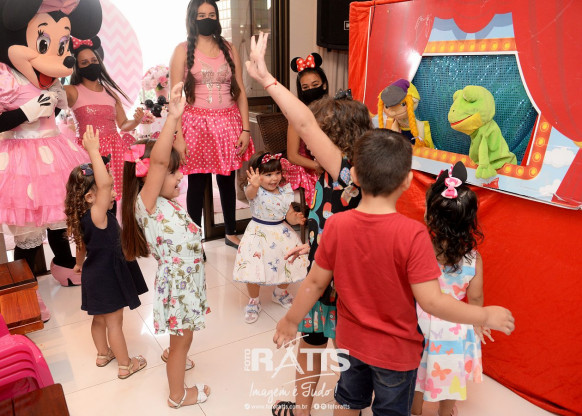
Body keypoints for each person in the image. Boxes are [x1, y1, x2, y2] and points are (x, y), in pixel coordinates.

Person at [274, 129, 515, 416]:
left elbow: (314, 282)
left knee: (348, 402)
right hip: (397, 353)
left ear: (355, 176)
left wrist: (291, 320)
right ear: (407, 181)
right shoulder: (412, 235)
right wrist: (484, 316)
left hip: (351, 343)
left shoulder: (337, 225)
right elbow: (433, 302)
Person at [246, 33, 373, 416]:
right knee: (315, 342)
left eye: (321, 130)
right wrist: (313, 243)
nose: (312, 135)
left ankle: (344, 404)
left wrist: (267, 79)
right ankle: (304, 408)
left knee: (339, 348)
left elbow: (301, 121)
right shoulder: (340, 176)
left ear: (336, 138)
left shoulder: (346, 170)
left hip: (338, 282)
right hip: (328, 268)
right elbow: (339, 221)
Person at [121, 82, 210, 409]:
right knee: (184, 339)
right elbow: (158, 162)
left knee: (181, 337)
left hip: (185, 281)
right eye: (173, 173)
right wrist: (172, 118)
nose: (179, 177)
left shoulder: (164, 203)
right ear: (149, 177)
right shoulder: (146, 203)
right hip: (178, 284)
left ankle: (173, 351)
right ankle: (177, 395)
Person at [169, 0, 254, 251]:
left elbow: (240, 90)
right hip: (196, 126)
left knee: (227, 180)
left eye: (211, 14)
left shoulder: (229, 48)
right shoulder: (182, 50)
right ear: (193, 18)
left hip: (228, 124)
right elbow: (175, 97)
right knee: (196, 184)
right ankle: (194, 241)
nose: (207, 19)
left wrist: (246, 129)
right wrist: (178, 136)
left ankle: (230, 232)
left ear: (217, 17)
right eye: (201, 15)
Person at [64, 125, 148, 379]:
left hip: (93, 275)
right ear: (91, 197)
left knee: (99, 319)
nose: (113, 192)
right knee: (115, 323)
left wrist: (79, 264)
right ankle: (126, 365)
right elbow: (105, 182)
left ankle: (103, 353)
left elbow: (81, 247)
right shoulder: (97, 214)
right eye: (107, 191)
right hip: (109, 275)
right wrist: (93, 151)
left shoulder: (82, 218)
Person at [411, 161, 491, 416]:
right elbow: (476, 298)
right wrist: (477, 321)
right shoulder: (474, 259)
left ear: (431, 217)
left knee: (418, 371)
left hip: (420, 320)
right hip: (456, 324)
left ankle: (414, 409)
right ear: (469, 220)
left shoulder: (420, 248)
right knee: (451, 374)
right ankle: (445, 412)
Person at [65, 35, 144, 205]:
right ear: (77, 67)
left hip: (114, 151)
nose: (91, 64)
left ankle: (112, 223)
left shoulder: (110, 93)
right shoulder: (71, 91)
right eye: (84, 62)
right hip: (87, 151)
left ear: (100, 62)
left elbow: (123, 124)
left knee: (112, 197)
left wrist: (136, 121)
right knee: (90, 198)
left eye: (94, 60)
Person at [233, 152, 309, 324]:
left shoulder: (284, 192)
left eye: (277, 173)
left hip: (281, 233)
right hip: (258, 233)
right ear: (256, 175)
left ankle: (280, 292)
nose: (274, 178)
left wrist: (295, 218)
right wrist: (254, 185)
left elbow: (288, 214)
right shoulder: (255, 190)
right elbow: (250, 194)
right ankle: (254, 301)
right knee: (254, 267)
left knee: (288, 264)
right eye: (268, 174)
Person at [285, 53, 328, 206]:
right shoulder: (297, 114)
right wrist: (319, 166)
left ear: (324, 85)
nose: (311, 90)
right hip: (309, 167)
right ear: (301, 90)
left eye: (315, 85)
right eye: (305, 87)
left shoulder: (333, 110)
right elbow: (292, 155)